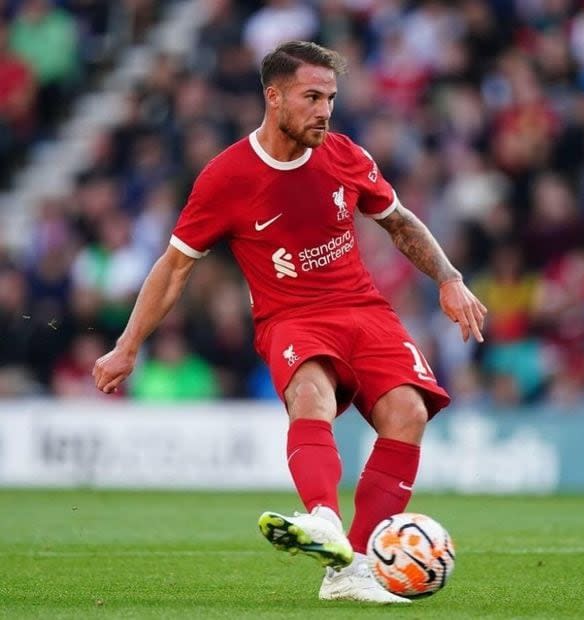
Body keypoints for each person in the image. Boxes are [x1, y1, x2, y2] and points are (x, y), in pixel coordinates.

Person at [92, 41, 486, 604]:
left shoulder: (346, 155)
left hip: (364, 309)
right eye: (311, 97)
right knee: (311, 393)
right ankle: (322, 516)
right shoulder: (226, 176)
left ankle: (348, 568)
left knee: (409, 411)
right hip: (291, 317)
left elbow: (399, 223)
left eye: (330, 97)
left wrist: (448, 277)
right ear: (273, 98)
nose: (324, 110)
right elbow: (175, 266)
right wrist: (128, 346)